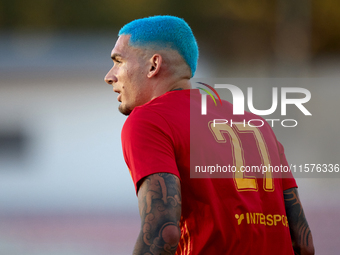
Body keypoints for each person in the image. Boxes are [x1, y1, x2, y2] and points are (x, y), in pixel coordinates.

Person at [104, 15, 314, 255]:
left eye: (118, 61)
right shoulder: (259, 125)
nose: (109, 75)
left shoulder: (149, 120)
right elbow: (303, 243)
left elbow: (163, 233)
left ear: (153, 65)